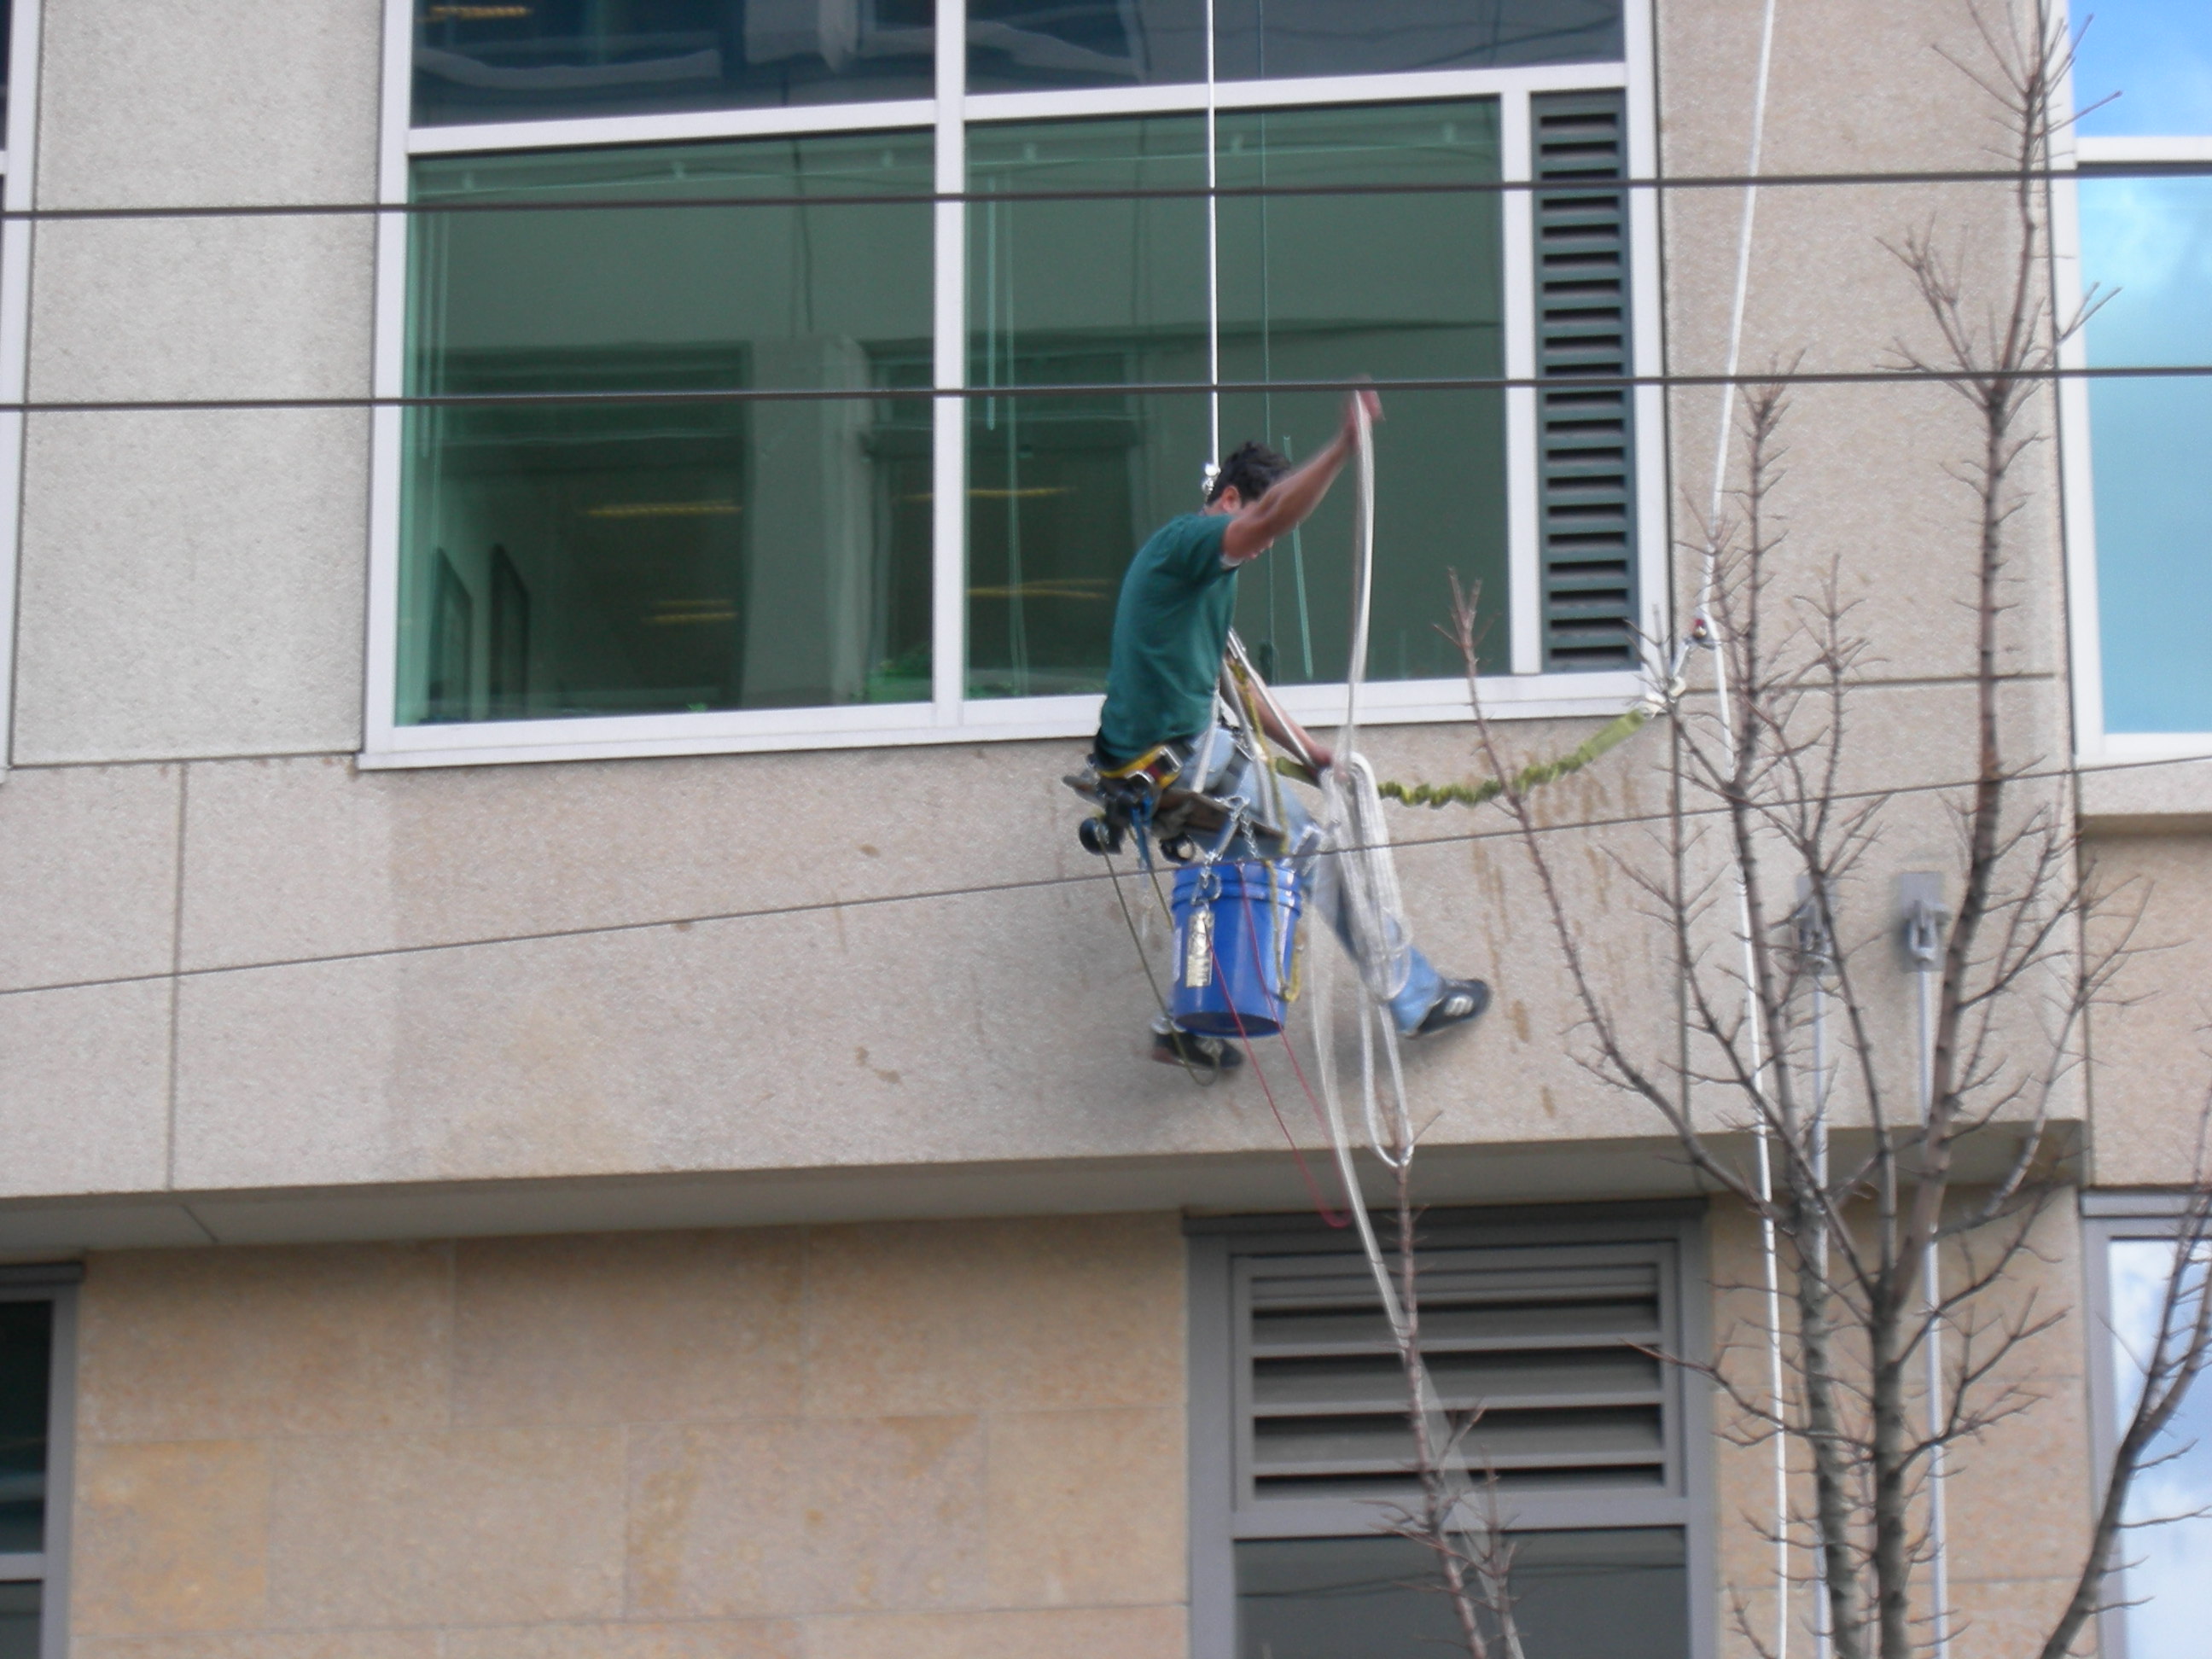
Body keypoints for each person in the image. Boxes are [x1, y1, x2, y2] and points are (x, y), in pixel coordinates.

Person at [1091, 387, 1492, 1070]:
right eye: (1259, 526)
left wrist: (1309, 752)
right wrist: (1342, 449)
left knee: (1249, 863)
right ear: (1227, 502)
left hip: (1155, 761)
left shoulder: (1195, 580)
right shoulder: (1192, 543)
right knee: (1310, 850)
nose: (1263, 545)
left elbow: (1235, 681)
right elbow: (1271, 515)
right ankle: (1413, 996)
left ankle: (1185, 1022)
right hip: (1176, 756)